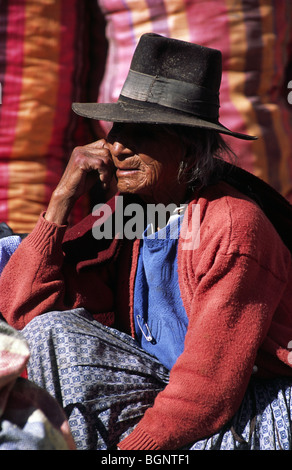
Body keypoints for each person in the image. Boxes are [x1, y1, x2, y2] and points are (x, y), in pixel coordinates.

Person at [0, 33, 292, 451]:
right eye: (118, 129)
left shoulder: (233, 225)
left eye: (142, 134)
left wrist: (133, 454)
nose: (117, 146)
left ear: (189, 151)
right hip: (170, 390)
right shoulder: (132, 216)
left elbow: (209, 387)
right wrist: (62, 201)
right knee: (53, 329)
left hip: (240, 405)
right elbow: (25, 313)